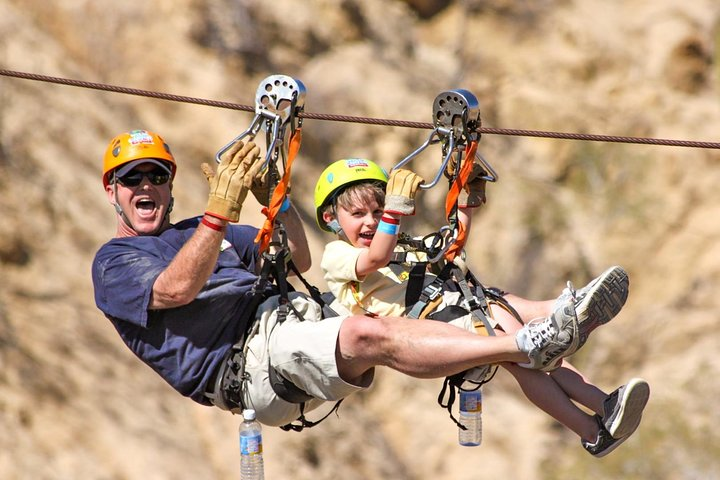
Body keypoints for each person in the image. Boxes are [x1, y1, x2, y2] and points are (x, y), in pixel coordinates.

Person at [92, 129, 580, 439]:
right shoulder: (114, 263)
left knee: (417, 297)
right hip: (249, 365)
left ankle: (555, 333)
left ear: (169, 185)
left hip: (295, 318)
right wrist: (218, 216)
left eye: (155, 175)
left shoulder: (201, 231)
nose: (146, 187)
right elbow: (176, 289)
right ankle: (521, 343)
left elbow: (298, 258)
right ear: (112, 192)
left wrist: (277, 204)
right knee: (366, 334)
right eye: (132, 179)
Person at [313, 157, 650, 456]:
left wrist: (465, 201)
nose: (370, 222)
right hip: (427, 329)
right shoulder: (337, 255)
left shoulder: (402, 246)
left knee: (510, 322)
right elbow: (375, 257)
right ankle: (565, 319)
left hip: (457, 309)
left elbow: (451, 247)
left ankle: (601, 410)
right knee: (518, 342)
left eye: (376, 212)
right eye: (358, 214)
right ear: (330, 218)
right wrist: (392, 211)